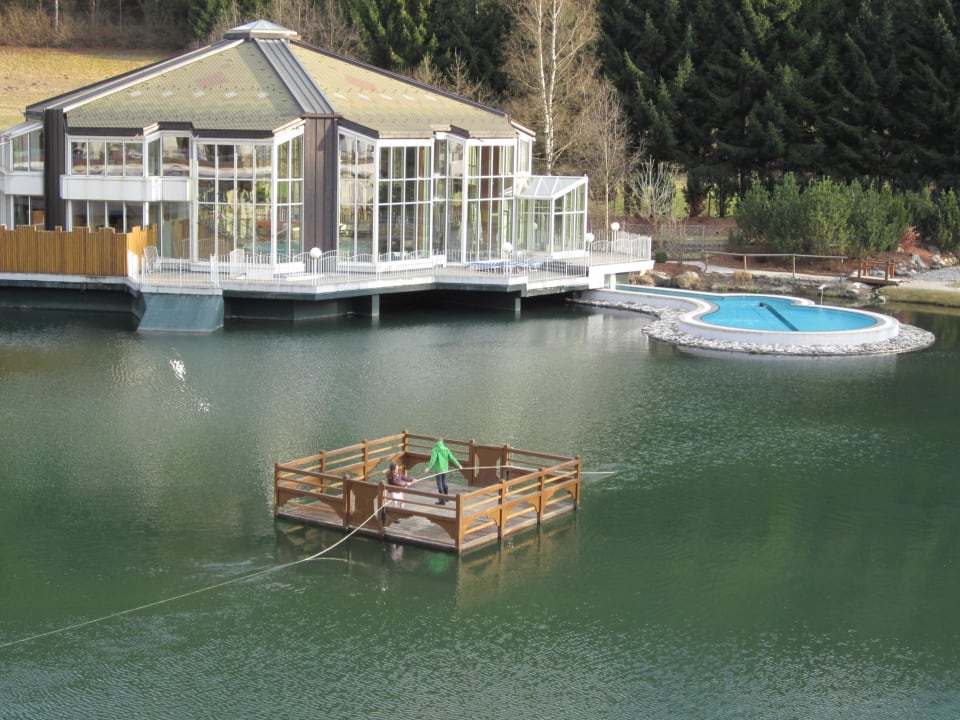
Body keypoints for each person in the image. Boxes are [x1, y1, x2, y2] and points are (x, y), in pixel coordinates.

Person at [425, 439, 461, 505]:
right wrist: (459, 465)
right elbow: (452, 458)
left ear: (436, 442)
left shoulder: (435, 450)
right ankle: (446, 498)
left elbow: (433, 460)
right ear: (442, 442)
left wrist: (428, 467)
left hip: (438, 470)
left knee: (439, 484)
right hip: (445, 469)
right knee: (444, 482)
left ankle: (442, 501)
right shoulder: (446, 449)